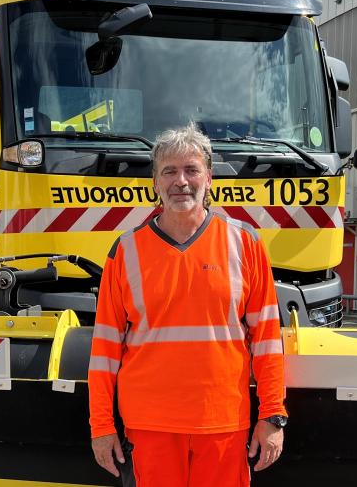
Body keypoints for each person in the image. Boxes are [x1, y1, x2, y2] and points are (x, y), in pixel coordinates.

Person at [88, 123, 287, 486]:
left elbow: (268, 340)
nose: (181, 181)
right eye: (169, 171)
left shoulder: (244, 244)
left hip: (223, 423)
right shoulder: (125, 251)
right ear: (155, 182)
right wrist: (101, 426)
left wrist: (272, 414)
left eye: (191, 169)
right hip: (150, 427)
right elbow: (104, 351)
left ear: (208, 178)